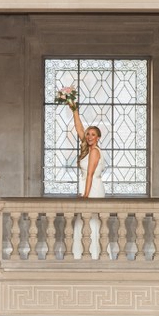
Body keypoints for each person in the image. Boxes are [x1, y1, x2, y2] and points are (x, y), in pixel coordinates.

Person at [68, 101, 108, 259]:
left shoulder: (95, 152)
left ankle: (94, 254)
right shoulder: (87, 148)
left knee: (91, 221)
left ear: (98, 137)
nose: (89, 136)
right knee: (82, 221)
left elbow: (90, 174)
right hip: (87, 187)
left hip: (93, 189)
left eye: (93, 134)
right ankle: (80, 254)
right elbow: (79, 128)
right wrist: (74, 111)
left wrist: (85, 196)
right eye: (88, 134)